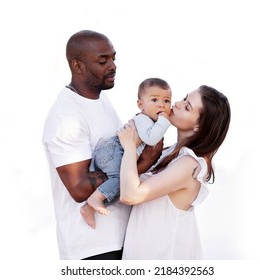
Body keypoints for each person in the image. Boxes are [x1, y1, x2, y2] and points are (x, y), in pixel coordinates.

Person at [42, 30, 162, 260]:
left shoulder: (100, 98)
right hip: (93, 246)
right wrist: (143, 162)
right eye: (103, 60)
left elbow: (120, 156)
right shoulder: (66, 117)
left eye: (114, 58)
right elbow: (78, 188)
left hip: (124, 238)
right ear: (78, 66)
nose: (113, 66)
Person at [118, 85, 231, 259]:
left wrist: (130, 146)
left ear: (199, 127)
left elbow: (131, 195)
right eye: (184, 98)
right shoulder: (169, 153)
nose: (177, 103)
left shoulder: (189, 165)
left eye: (187, 107)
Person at [80, 78, 172, 228]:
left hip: (115, 155)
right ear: (141, 105)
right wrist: (165, 121)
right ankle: (95, 199)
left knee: (123, 186)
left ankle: (88, 208)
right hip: (112, 151)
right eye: (154, 100)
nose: (161, 104)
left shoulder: (151, 122)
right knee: (120, 180)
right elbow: (151, 138)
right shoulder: (143, 119)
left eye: (167, 101)